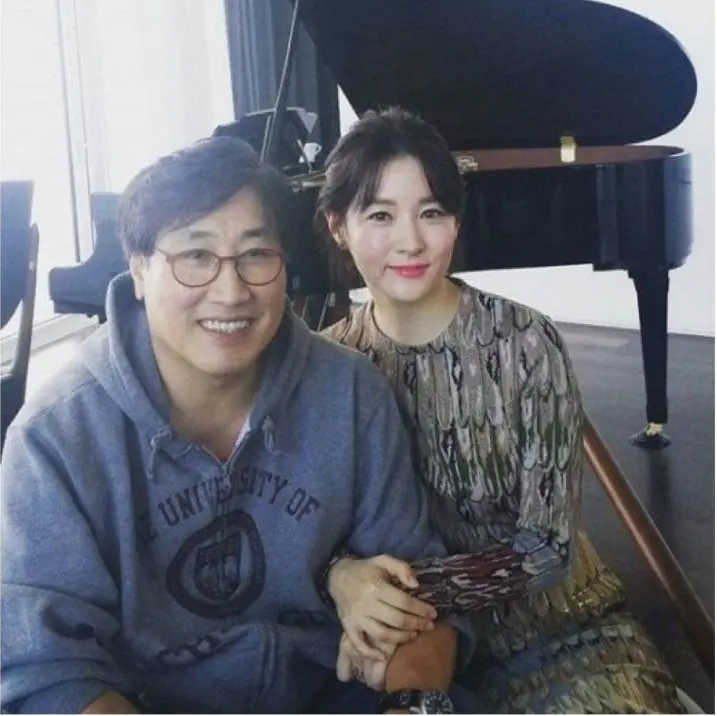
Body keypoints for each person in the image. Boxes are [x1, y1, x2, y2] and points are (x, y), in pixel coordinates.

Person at [0, 135, 480, 714]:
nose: (230, 293)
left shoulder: (352, 393)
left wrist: (411, 704)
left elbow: (424, 596)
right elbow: (51, 674)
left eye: (255, 254)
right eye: (195, 257)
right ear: (139, 268)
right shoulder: (54, 438)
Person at [319, 107, 686, 713]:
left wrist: (385, 592)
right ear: (338, 226)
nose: (410, 240)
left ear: (456, 220)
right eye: (380, 215)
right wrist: (340, 576)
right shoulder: (328, 363)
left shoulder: (525, 342)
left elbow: (548, 547)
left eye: (431, 212)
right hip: (411, 648)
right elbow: (309, 524)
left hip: (560, 634)